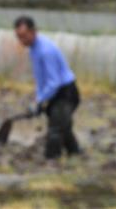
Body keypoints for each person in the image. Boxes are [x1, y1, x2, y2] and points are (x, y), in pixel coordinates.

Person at [14, 15, 81, 159]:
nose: (21, 41)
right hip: (56, 92)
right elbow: (41, 79)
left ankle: (50, 164)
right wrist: (38, 101)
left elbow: (53, 82)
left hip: (65, 92)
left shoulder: (46, 50)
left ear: (34, 31)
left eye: (24, 36)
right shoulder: (33, 49)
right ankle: (76, 155)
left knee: (55, 131)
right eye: (19, 37)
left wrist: (40, 100)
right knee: (64, 127)